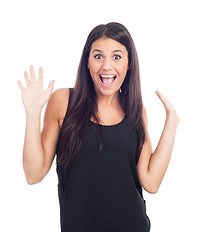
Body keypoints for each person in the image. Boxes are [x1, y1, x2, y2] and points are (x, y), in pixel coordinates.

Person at [17, 22, 179, 232]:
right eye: (98, 56)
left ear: (129, 64)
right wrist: (32, 114)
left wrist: (172, 122)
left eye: (117, 57)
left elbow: (151, 182)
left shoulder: (136, 111)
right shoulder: (64, 100)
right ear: (87, 62)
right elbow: (33, 174)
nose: (107, 66)